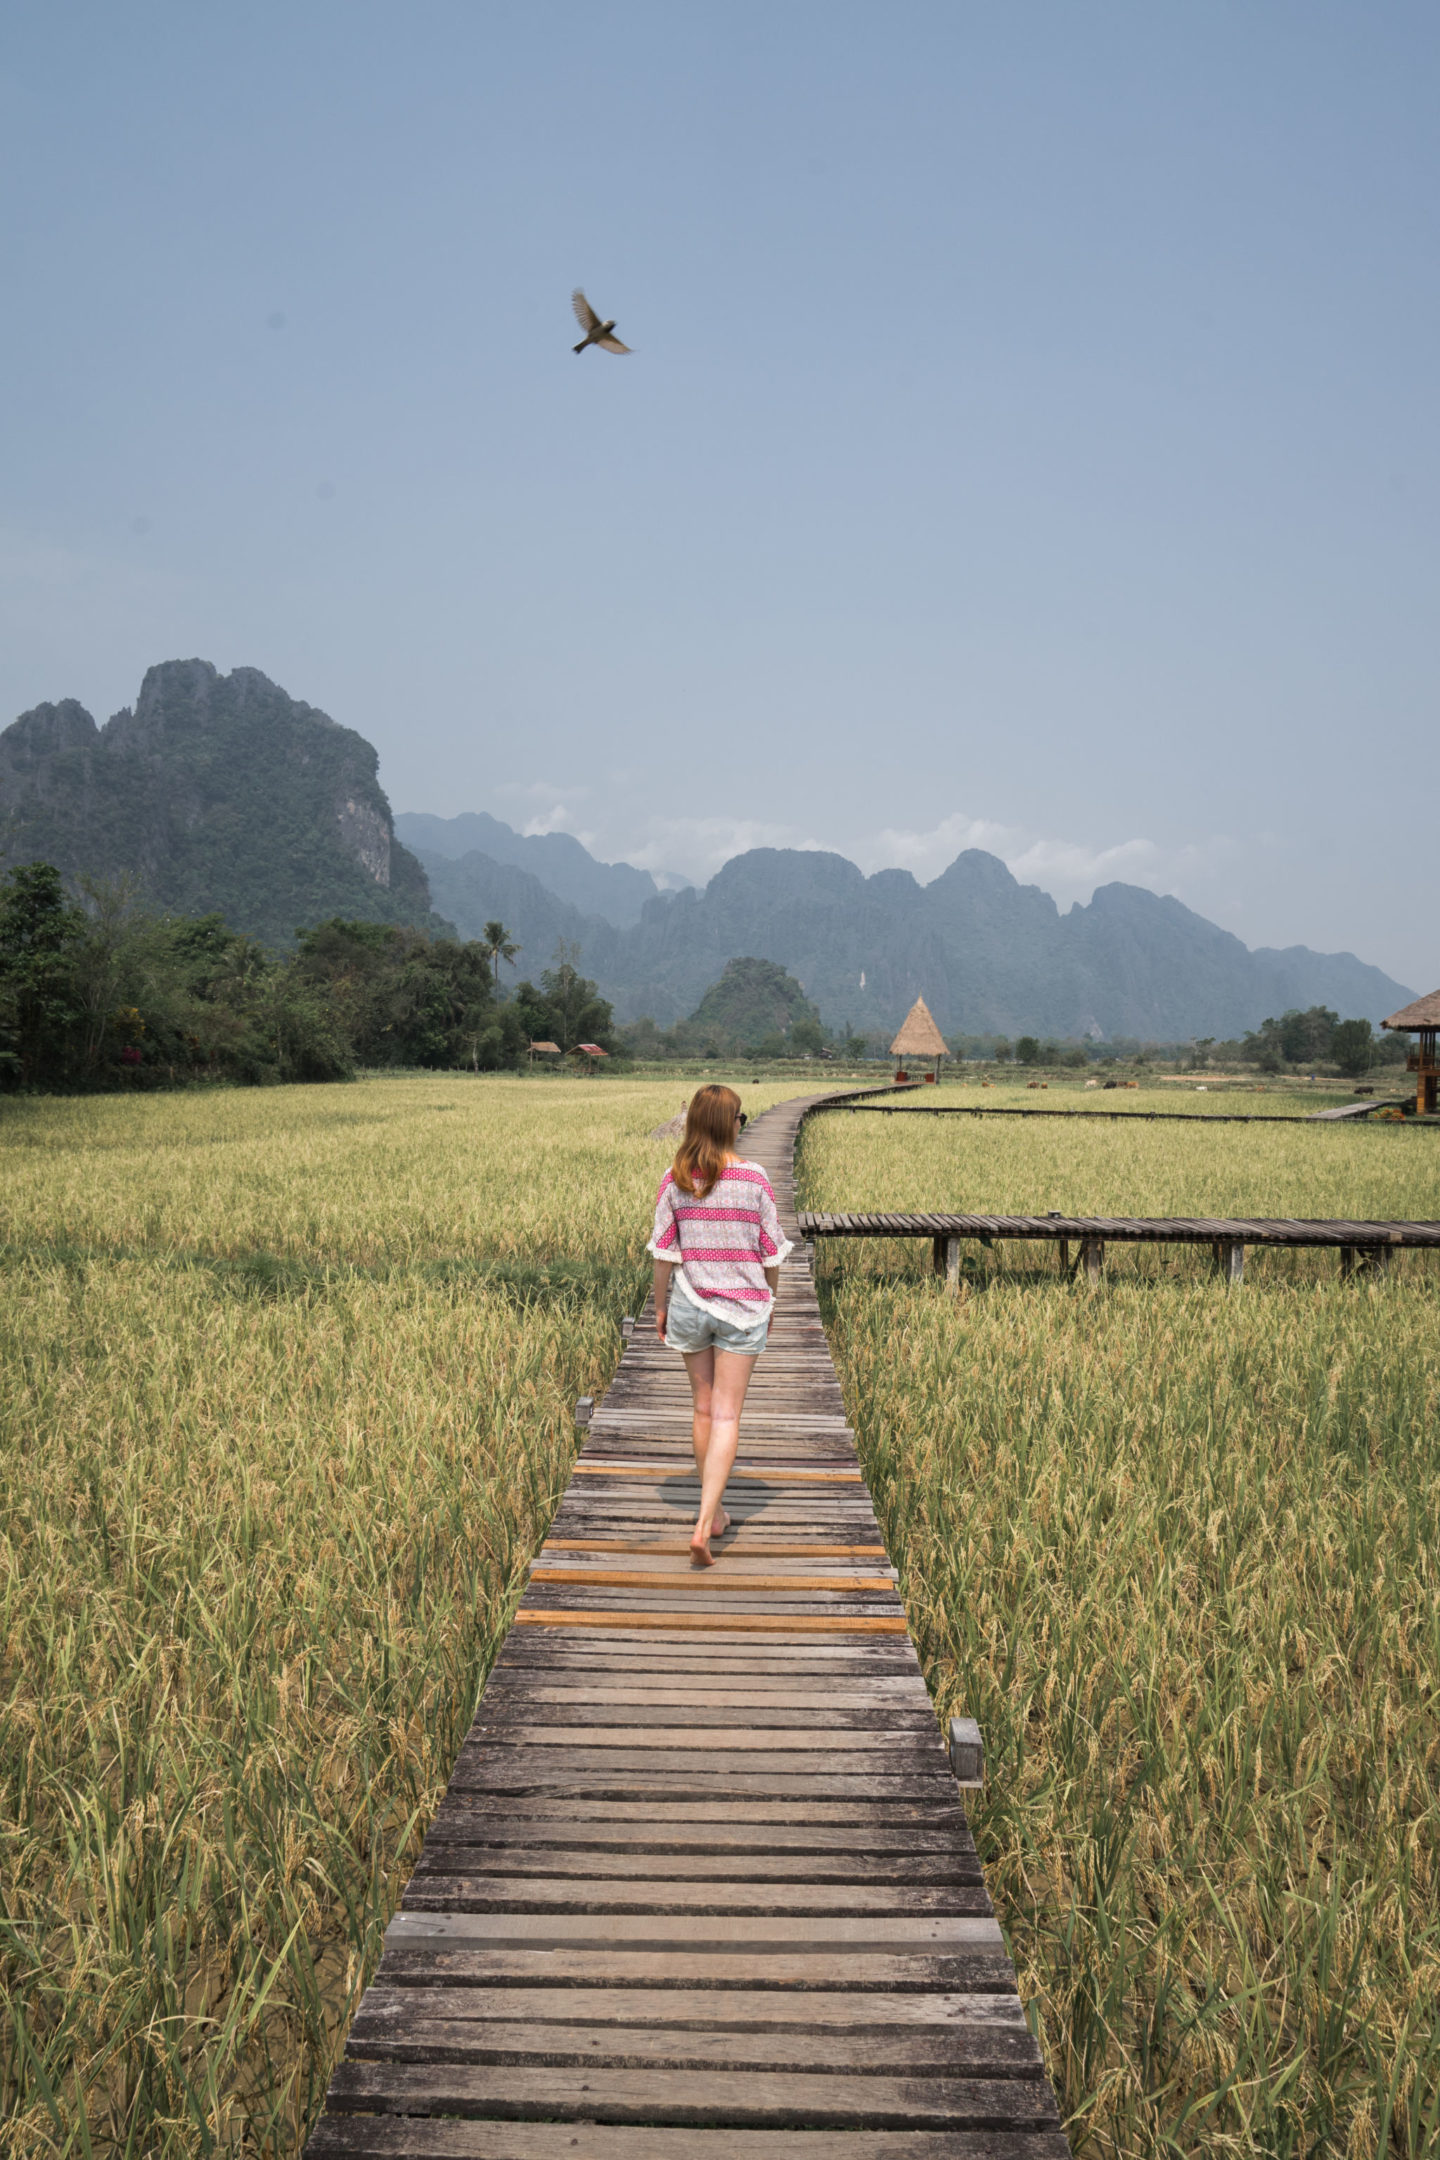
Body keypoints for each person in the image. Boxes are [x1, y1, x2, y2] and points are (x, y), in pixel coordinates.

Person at [648, 1085, 792, 1565]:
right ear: (729, 1123)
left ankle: (714, 1513)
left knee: (703, 1410)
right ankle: (705, 1523)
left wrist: (661, 1307)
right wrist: (769, 1298)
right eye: (740, 1117)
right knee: (728, 1415)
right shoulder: (755, 1179)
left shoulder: (677, 1180)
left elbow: (664, 1254)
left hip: (690, 1301)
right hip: (743, 1308)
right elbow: (771, 1253)